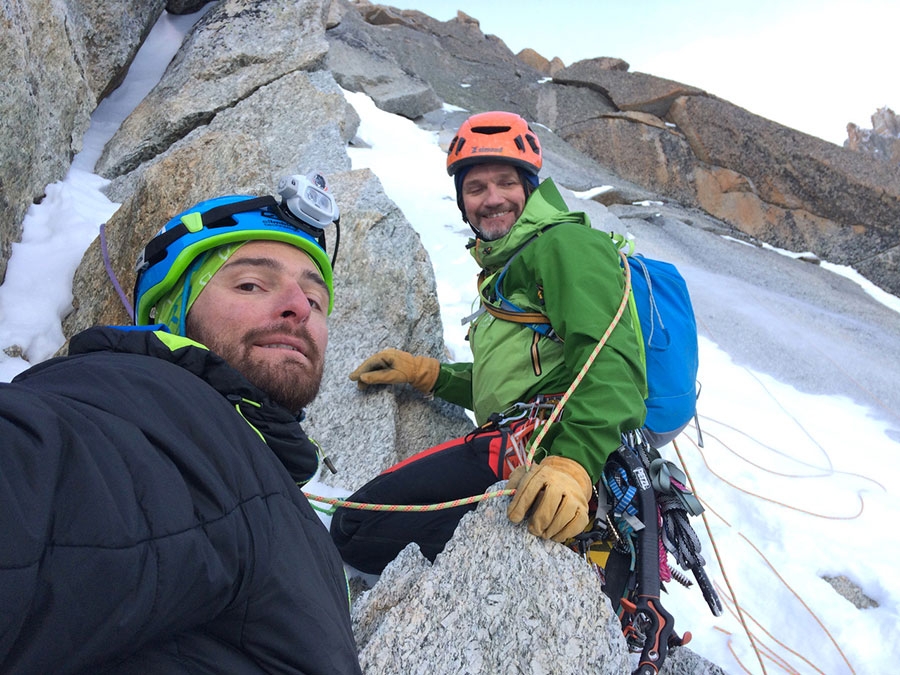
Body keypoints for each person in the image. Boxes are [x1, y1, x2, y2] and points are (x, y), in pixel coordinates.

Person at [0, 177, 363, 674]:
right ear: (170, 312)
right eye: (251, 284)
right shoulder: (153, 412)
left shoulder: (249, 464)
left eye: (316, 301)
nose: (299, 308)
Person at [330, 111, 647, 575]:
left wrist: (572, 465)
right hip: (527, 439)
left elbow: (612, 361)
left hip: (539, 446)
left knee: (355, 530)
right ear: (461, 202)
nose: (492, 199)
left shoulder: (565, 244)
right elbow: (519, 375)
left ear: (530, 189)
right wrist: (428, 374)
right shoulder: (510, 262)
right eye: (475, 188)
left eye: (505, 183)